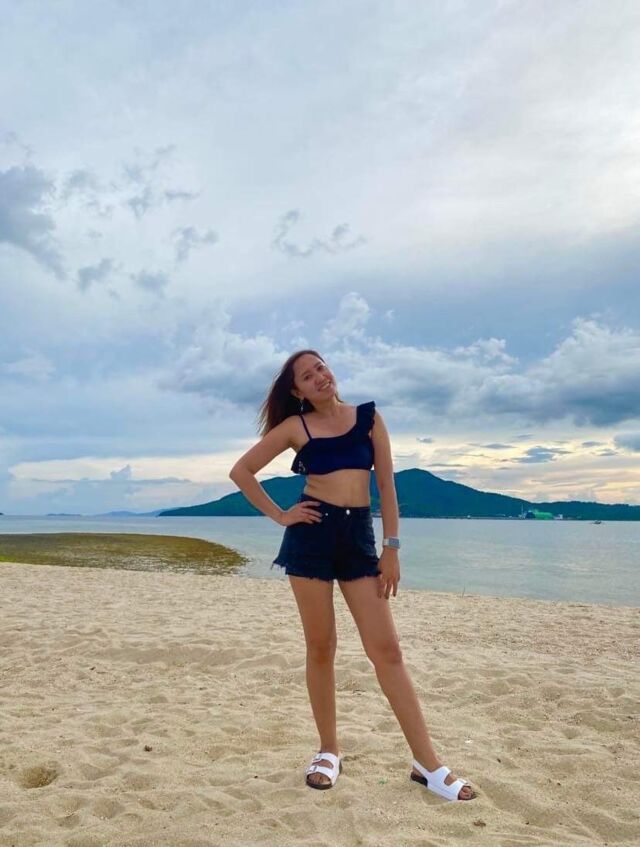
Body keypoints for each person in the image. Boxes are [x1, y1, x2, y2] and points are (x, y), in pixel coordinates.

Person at [228, 349, 477, 801]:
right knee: (321, 647)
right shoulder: (295, 427)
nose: (320, 377)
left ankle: (428, 764)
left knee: (388, 650)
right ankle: (328, 750)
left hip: (359, 537)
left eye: (321, 367)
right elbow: (241, 471)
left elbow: (386, 485)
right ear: (297, 390)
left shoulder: (369, 418)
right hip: (311, 536)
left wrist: (391, 546)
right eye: (308, 376)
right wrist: (281, 515)